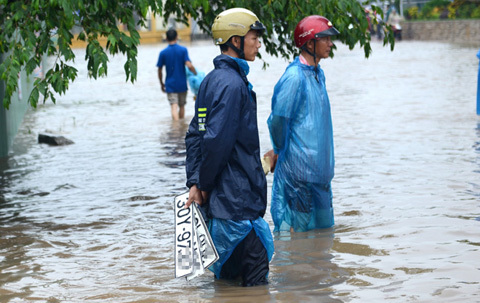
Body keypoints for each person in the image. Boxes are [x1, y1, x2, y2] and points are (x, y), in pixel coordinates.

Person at [184, 8, 274, 286]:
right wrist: (204, 185)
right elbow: (216, 141)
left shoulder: (211, 80)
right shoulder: (233, 85)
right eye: (254, 37)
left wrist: (195, 182)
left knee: (229, 284)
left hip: (223, 207)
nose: (258, 43)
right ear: (235, 40)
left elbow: (195, 134)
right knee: (256, 285)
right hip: (237, 202)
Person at [266, 15, 339, 233]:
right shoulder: (294, 77)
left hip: (320, 172)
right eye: (325, 39)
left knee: (323, 235)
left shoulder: (318, 73)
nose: (330, 43)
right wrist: (278, 150)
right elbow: (279, 120)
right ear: (309, 43)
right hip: (299, 175)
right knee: (299, 236)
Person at [157, 29, 197, 120]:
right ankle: (181, 129)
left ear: (166, 38)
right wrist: (195, 73)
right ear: (177, 37)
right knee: (182, 106)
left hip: (170, 84)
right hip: (182, 84)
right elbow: (189, 65)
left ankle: (175, 129)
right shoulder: (183, 50)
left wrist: (161, 83)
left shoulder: (163, 53)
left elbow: (159, 70)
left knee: (173, 107)